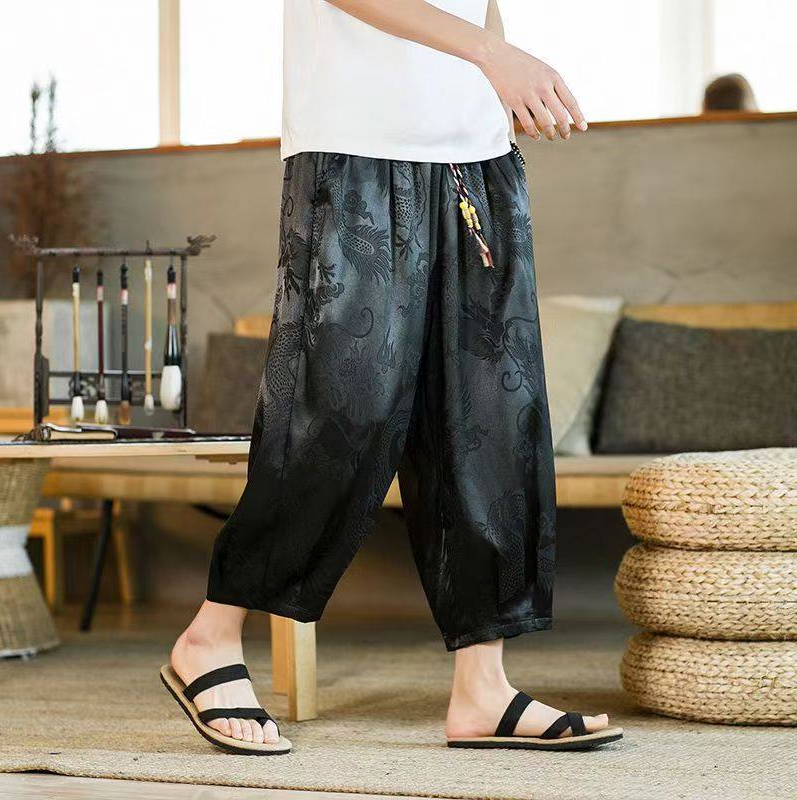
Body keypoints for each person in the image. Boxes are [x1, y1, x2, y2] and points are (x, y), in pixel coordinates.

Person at [160, 0, 622, 755]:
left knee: (490, 419)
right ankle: (210, 635)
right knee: (344, 409)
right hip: (356, 148)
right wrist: (494, 57)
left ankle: (483, 686)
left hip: (478, 158)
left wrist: (494, 79)